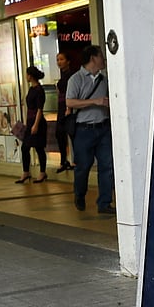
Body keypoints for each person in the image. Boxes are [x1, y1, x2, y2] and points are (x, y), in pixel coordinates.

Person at [66, 44, 114, 214]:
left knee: (107, 166)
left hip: (103, 128)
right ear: (93, 58)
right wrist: (95, 101)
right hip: (83, 130)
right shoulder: (76, 79)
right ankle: (79, 194)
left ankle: (104, 203)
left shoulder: (104, 79)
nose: (104, 59)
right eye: (101, 55)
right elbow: (70, 102)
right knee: (83, 166)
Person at [15, 66, 48, 183]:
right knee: (25, 148)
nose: (26, 76)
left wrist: (36, 124)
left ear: (31, 75)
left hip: (36, 121)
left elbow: (40, 109)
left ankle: (42, 172)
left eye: (27, 74)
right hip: (30, 121)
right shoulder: (31, 89)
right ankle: (26, 172)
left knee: (39, 148)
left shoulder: (39, 90)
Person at [54, 51, 75, 172]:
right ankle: (63, 160)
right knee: (59, 133)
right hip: (61, 107)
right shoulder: (61, 76)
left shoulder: (72, 76)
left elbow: (71, 92)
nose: (59, 62)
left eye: (61, 59)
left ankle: (75, 160)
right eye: (57, 60)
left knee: (72, 134)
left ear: (68, 61)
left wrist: (69, 108)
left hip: (68, 106)